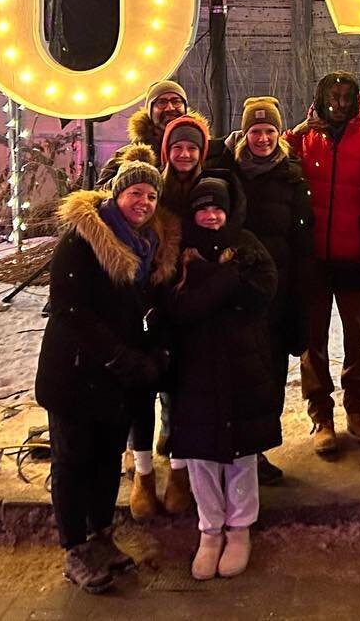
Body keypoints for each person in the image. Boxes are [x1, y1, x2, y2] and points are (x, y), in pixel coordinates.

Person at [34, 155, 179, 593]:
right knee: (72, 462)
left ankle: (101, 536)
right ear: (118, 193)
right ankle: (75, 549)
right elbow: (70, 310)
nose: (144, 202)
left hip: (117, 380)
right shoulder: (82, 240)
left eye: (152, 196)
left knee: (104, 462)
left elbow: (142, 308)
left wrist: (152, 349)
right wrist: (118, 355)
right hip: (76, 374)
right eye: (137, 192)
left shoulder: (143, 244)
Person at [128, 113, 246, 519]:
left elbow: (227, 226)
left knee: (180, 384)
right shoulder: (149, 185)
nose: (183, 153)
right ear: (166, 150)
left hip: (189, 295)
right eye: (177, 147)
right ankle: (143, 475)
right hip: (147, 293)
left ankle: (180, 471)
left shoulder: (210, 187)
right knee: (140, 384)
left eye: (191, 147)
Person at [163, 177, 279, 580]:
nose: (211, 216)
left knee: (241, 454)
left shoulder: (247, 244)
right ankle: (209, 530)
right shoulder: (178, 251)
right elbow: (181, 308)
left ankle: (239, 528)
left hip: (241, 364)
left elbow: (262, 293)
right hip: (195, 369)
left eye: (218, 208)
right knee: (200, 456)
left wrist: (211, 286)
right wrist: (228, 279)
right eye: (203, 208)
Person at [286, 71, 360, 456]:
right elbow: (273, 154)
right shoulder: (305, 139)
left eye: (346, 96)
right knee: (313, 341)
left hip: (354, 254)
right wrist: (297, 131)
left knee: (357, 340)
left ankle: (357, 409)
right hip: (312, 257)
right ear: (320, 98)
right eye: (332, 96)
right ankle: (320, 415)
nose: (339, 103)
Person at [228, 96, 314, 485]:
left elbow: (301, 239)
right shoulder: (229, 172)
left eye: (268, 131)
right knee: (239, 372)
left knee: (273, 373)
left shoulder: (292, 174)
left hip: (279, 290)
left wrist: (299, 299)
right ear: (244, 133)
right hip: (239, 291)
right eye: (254, 131)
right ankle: (233, 449)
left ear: (279, 133)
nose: (261, 138)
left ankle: (258, 451)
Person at [98, 79, 233, 186]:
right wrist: (129, 176)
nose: (170, 108)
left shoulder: (208, 152)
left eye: (176, 101)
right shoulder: (126, 155)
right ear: (150, 110)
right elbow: (100, 193)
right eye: (161, 102)